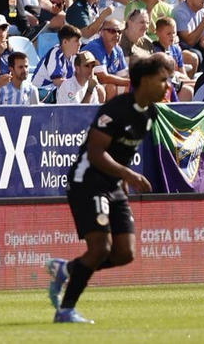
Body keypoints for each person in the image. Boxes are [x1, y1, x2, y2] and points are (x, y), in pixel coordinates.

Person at [45, 53, 173, 325]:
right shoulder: (116, 108)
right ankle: (66, 310)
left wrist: (122, 183)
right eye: (163, 80)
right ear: (145, 80)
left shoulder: (150, 114)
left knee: (125, 252)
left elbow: (123, 153)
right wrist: (128, 174)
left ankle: (67, 269)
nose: (168, 86)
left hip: (113, 185)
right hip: (87, 181)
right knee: (100, 248)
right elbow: (95, 153)